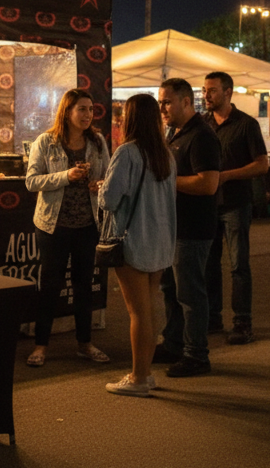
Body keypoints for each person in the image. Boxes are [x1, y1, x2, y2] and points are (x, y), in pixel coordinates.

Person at [24, 89, 111, 367]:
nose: (87, 115)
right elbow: (31, 181)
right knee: (50, 284)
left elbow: (108, 177)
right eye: (82, 109)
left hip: (88, 224)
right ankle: (41, 346)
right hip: (53, 225)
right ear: (67, 111)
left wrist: (99, 184)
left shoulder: (97, 142)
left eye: (91, 109)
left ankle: (85, 344)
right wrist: (66, 176)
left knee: (85, 285)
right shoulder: (46, 142)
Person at [99, 94, 176, 397]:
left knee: (137, 313)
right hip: (160, 240)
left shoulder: (127, 152)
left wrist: (102, 186)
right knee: (150, 309)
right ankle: (145, 372)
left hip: (132, 240)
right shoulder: (166, 154)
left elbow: (109, 199)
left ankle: (138, 378)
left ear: (130, 119)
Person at [154, 78, 220, 378]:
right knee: (171, 288)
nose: (162, 108)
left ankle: (196, 354)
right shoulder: (174, 133)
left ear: (185, 101)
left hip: (193, 228)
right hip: (174, 226)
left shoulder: (202, 136)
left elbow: (208, 184)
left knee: (190, 293)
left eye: (167, 102)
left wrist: (166, 182)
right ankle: (173, 342)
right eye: (160, 102)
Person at [202, 71, 268, 345]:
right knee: (209, 264)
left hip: (236, 204)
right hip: (207, 204)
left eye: (212, 90)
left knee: (238, 264)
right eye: (205, 90)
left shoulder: (246, 124)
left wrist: (227, 175)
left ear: (228, 92)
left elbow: (262, 164)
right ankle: (213, 317)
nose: (206, 95)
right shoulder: (202, 124)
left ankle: (242, 322)